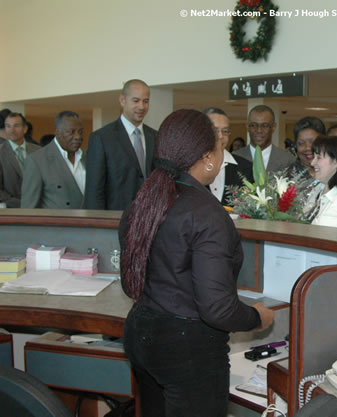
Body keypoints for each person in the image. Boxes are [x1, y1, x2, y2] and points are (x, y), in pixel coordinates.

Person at [120, 109, 274, 416]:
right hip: (187, 350)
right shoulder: (207, 214)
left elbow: (131, 281)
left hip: (142, 334)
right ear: (207, 158)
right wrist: (258, 318)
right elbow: (218, 308)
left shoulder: (144, 200)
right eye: (220, 147)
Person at [85, 79, 157, 210]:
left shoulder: (155, 136)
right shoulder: (102, 138)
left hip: (149, 219)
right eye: (135, 101)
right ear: (122, 100)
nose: (141, 106)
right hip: (115, 220)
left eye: (145, 101)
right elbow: (94, 192)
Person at [21, 111, 86, 209]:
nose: (78, 137)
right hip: (57, 223)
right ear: (57, 132)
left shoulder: (89, 156)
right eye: (71, 132)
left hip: (91, 222)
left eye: (80, 132)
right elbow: (28, 209)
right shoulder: (37, 161)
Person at [203, 107, 253, 206]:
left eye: (225, 131)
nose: (220, 136)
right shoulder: (191, 166)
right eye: (215, 130)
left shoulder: (245, 168)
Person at [233, 105, 294, 175]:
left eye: (265, 125)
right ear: (247, 126)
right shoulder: (234, 158)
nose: (259, 130)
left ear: (273, 127)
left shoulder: (288, 160)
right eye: (254, 125)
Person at [0, 112, 40, 207]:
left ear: (25, 128)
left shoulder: (38, 151)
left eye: (16, 126)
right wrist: (21, 203)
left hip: (38, 207)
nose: (12, 130)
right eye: (8, 126)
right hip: (12, 208)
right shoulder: (1, 152)